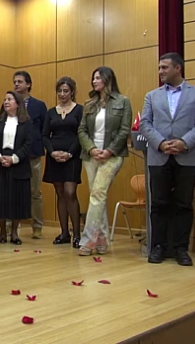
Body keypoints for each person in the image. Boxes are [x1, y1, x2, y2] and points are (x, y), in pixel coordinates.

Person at [140, 53, 195, 266]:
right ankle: (158, 247)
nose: (160, 71)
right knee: (158, 204)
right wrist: (161, 143)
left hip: (186, 155)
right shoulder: (151, 96)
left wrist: (184, 142)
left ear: (178, 68)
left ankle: (181, 248)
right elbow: (145, 123)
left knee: (184, 204)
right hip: (159, 156)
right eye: (159, 67)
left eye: (164, 67)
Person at [77, 67, 132, 256]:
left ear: (108, 79)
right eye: (93, 78)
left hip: (113, 156)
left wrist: (108, 151)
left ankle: (87, 241)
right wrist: (92, 149)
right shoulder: (89, 103)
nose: (94, 81)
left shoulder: (123, 101)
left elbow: (124, 130)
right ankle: (101, 240)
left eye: (98, 78)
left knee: (98, 193)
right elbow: (82, 130)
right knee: (98, 196)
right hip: (91, 156)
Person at [0, 91, 32, 245]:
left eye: (9, 99)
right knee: (0, 199)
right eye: (5, 99)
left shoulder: (26, 122)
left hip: (18, 163)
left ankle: (14, 233)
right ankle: (2, 231)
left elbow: (28, 144)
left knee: (17, 199)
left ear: (17, 104)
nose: (6, 102)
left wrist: (14, 159)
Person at [42, 76, 83, 248]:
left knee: (70, 192)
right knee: (60, 193)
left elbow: (81, 134)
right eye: (59, 91)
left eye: (66, 91)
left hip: (73, 156)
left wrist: (69, 153)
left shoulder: (79, 110)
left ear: (72, 92)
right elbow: (45, 135)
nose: (62, 94)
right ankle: (64, 233)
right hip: (54, 157)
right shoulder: (51, 112)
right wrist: (52, 152)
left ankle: (77, 234)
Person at [12, 71, 47, 239]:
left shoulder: (39, 105)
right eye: (15, 81)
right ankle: (9, 226)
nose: (16, 84)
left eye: (20, 81)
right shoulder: (9, 103)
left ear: (28, 84)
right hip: (14, 156)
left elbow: (44, 130)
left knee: (35, 192)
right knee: (12, 191)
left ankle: (37, 226)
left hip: (33, 154)